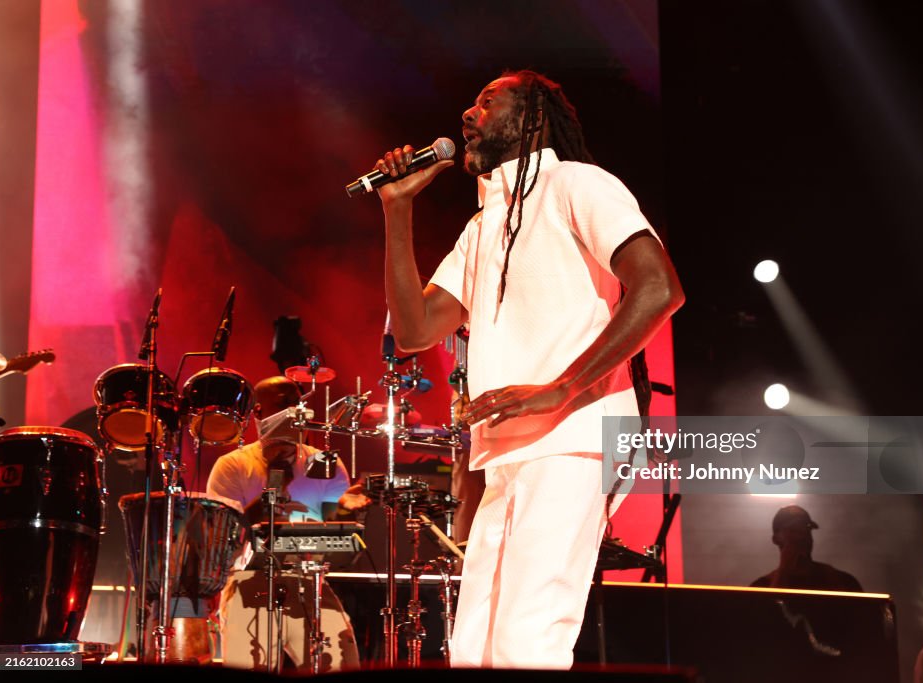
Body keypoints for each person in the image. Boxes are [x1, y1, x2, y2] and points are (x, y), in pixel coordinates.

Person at [372, 69, 684, 668]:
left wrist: (561, 390)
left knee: (527, 642)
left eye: (488, 101)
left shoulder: (578, 184)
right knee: (472, 653)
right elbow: (414, 330)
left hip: (574, 439)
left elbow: (659, 288)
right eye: (471, 103)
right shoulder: (482, 226)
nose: (469, 113)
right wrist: (397, 210)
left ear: (533, 118)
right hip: (506, 455)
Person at [206, 375, 370, 672]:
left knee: (341, 661)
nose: (296, 411)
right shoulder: (233, 464)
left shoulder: (324, 462)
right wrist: (274, 486)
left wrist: (346, 511)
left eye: (298, 403)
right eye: (285, 404)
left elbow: (335, 534)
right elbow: (226, 534)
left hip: (310, 581)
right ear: (257, 412)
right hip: (249, 583)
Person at [750, 505, 863, 592]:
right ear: (776, 539)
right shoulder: (761, 587)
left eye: (806, 530)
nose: (802, 536)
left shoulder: (842, 581)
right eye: (793, 530)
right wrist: (784, 572)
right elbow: (767, 616)